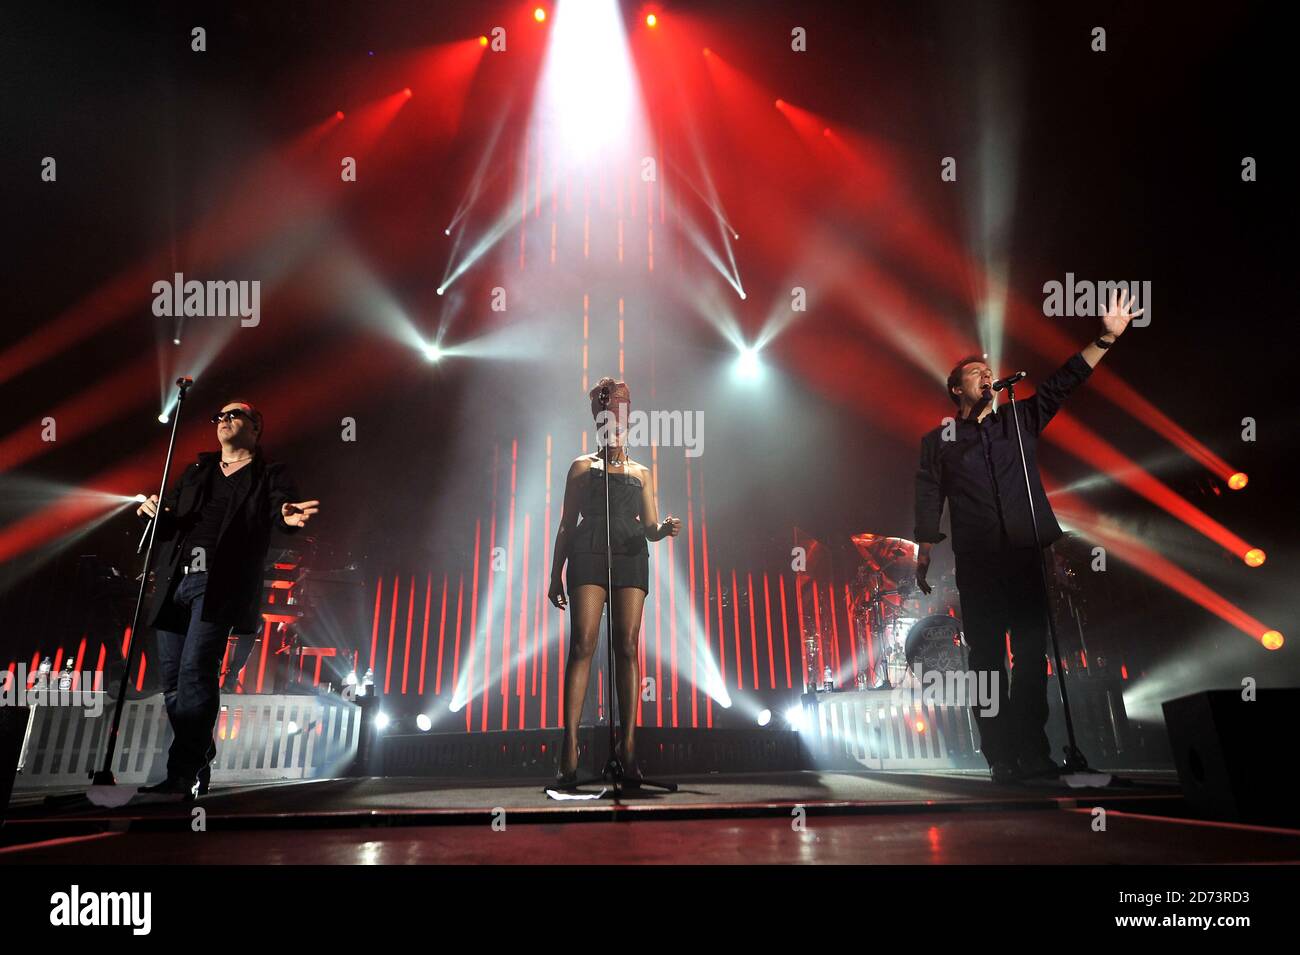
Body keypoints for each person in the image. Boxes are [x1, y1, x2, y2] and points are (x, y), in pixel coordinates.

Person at [913, 290, 1142, 783]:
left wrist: (1104, 338)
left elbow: (1062, 385)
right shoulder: (942, 441)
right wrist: (925, 546)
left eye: (986, 368)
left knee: (1034, 652)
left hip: (1023, 554)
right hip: (978, 560)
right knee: (988, 657)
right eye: (974, 371)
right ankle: (1000, 754)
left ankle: (1034, 750)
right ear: (956, 388)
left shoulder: (1017, 420)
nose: (985, 374)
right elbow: (929, 490)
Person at [135, 400, 319, 798]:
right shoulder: (196, 471)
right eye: (219, 416)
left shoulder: (269, 473)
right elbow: (173, 522)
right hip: (174, 582)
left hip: (219, 583)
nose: (224, 421)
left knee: (195, 672)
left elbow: (279, 511)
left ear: (256, 426)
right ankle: (197, 761)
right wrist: (155, 510)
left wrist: (287, 516)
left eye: (235, 415)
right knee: (171, 683)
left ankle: (182, 775)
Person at [547, 378, 681, 786]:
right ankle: (569, 747)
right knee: (583, 642)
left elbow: (651, 525)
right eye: (608, 416)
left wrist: (664, 530)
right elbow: (567, 524)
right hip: (588, 550)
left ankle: (628, 748)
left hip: (630, 553)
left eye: (621, 417)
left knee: (627, 644)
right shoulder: (582, 467)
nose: (615, 424)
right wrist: (555, 573)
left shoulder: (642, 471)